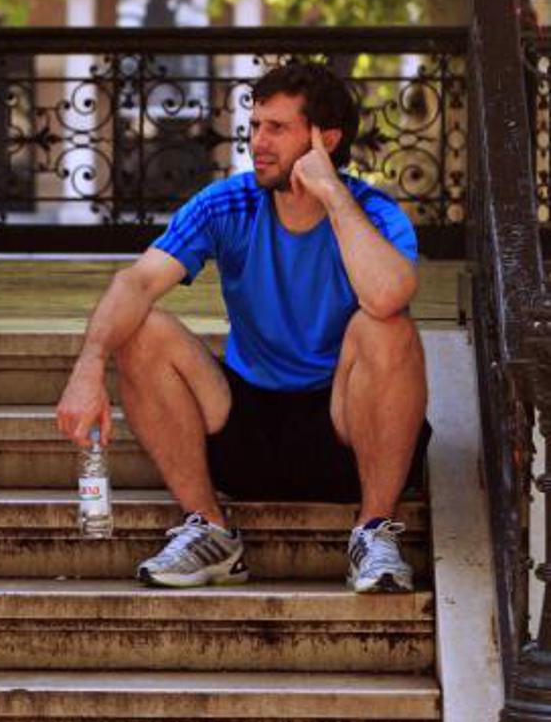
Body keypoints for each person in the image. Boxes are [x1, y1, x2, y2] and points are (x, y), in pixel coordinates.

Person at [54, 62, 431, 593]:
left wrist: (332, 195)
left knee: (387, 327)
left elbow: (389, 294)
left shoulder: (372, 211)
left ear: (324, 140)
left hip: (345, 430)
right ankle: (210, 530)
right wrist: (88, 366)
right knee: (140, 329)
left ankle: (373, 533)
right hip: (245, 426)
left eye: (277, 128)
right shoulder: (229, 202)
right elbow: (136, 282)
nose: (258, 142)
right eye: (255, 126)